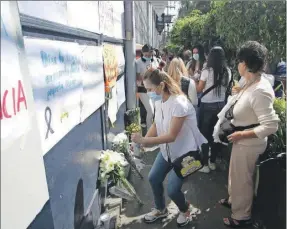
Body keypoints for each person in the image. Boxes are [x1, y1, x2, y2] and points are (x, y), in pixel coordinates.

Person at [131, 68, 207, 227]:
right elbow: (156, 125)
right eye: (146, 89)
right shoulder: (160, 102)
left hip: (187, 155)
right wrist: (142, 141)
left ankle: (185, 210)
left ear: (161, 85)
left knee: (173, 189)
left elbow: (172, 135)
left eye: (150, 89)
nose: (149, 92)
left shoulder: (179, 103)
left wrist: (145, 140)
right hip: (168, 152)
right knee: (154, 178)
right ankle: (160, 209)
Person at [216, 41, 279, 228]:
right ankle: (233, 201)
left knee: (243, 180)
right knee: (235, 175)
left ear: (245, 63)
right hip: (241, 139)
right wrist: (238, 92)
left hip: (248, 141)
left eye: (239, 61)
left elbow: (270, 125)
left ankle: (241, 217)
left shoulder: (260, 89)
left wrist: (242, 136)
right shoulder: (251, 82)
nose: (237, 65)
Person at [196, 46, 232, 173]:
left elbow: (199, 90)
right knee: (217, 135)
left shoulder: (207, 71)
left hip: (207, 107)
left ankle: (204, 165)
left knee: (204, 135)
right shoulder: (228, 71)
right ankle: (212, 162)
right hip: (221, 107)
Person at [136, 44, 159, 129]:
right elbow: (137, 77)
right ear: (142, 53)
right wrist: (146, 79)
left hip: (153, 89)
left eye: (149, 55)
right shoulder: (138, 62)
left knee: (154, 112)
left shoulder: (155, 60)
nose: (148, 57)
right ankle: (149, 133)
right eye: (146, 55)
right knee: (151, 111)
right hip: (143, 89)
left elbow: (158, 72)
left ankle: (152, 129)